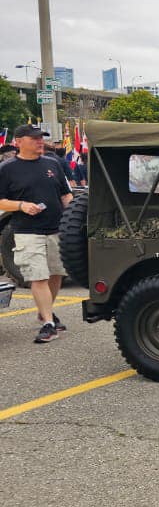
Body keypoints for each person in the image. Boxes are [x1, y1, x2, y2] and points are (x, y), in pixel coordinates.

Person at [0, 124, 73, 343]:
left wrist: (73, 217)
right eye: (34, 138)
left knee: (56, 274)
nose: (40, 141)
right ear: (18, 141)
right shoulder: (7, 168)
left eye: (41, 138)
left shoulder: (53, 164)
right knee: (38, 276)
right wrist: (22, 205)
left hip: (56, 229)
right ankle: (48, 323)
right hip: (26, 231)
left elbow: (65, 195)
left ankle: (45, 311)